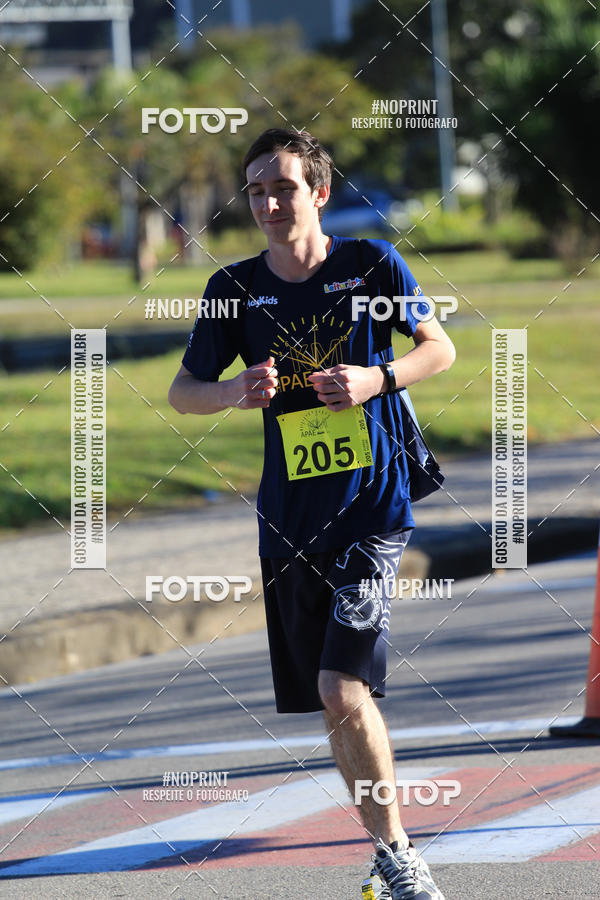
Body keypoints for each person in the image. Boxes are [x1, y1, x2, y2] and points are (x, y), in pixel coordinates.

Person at [168, 128, 455, 900]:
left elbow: (439, 349)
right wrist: (232, 391)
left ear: (319, 192)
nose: (267, 202)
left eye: (283, 187)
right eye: (256, 188)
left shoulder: (370, 265)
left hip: (372, 507)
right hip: (291, 520)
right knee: (329, 702)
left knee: (340, 688)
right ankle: (383, 840)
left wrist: (376, 379)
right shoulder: (233, 288)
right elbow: (182, 392)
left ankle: (399, 857)